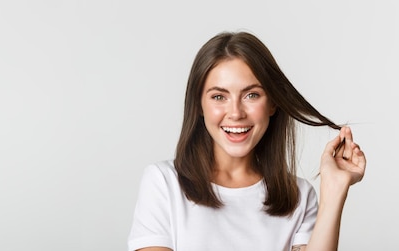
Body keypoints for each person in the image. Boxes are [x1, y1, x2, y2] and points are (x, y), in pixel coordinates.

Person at [127, 31, 366, 251]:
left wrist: (334, 189)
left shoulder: (299, 196)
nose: (236, 112)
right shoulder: (163, 183)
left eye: (252, 95)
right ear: (199, 105)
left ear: (273, 103)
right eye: (219, 96)